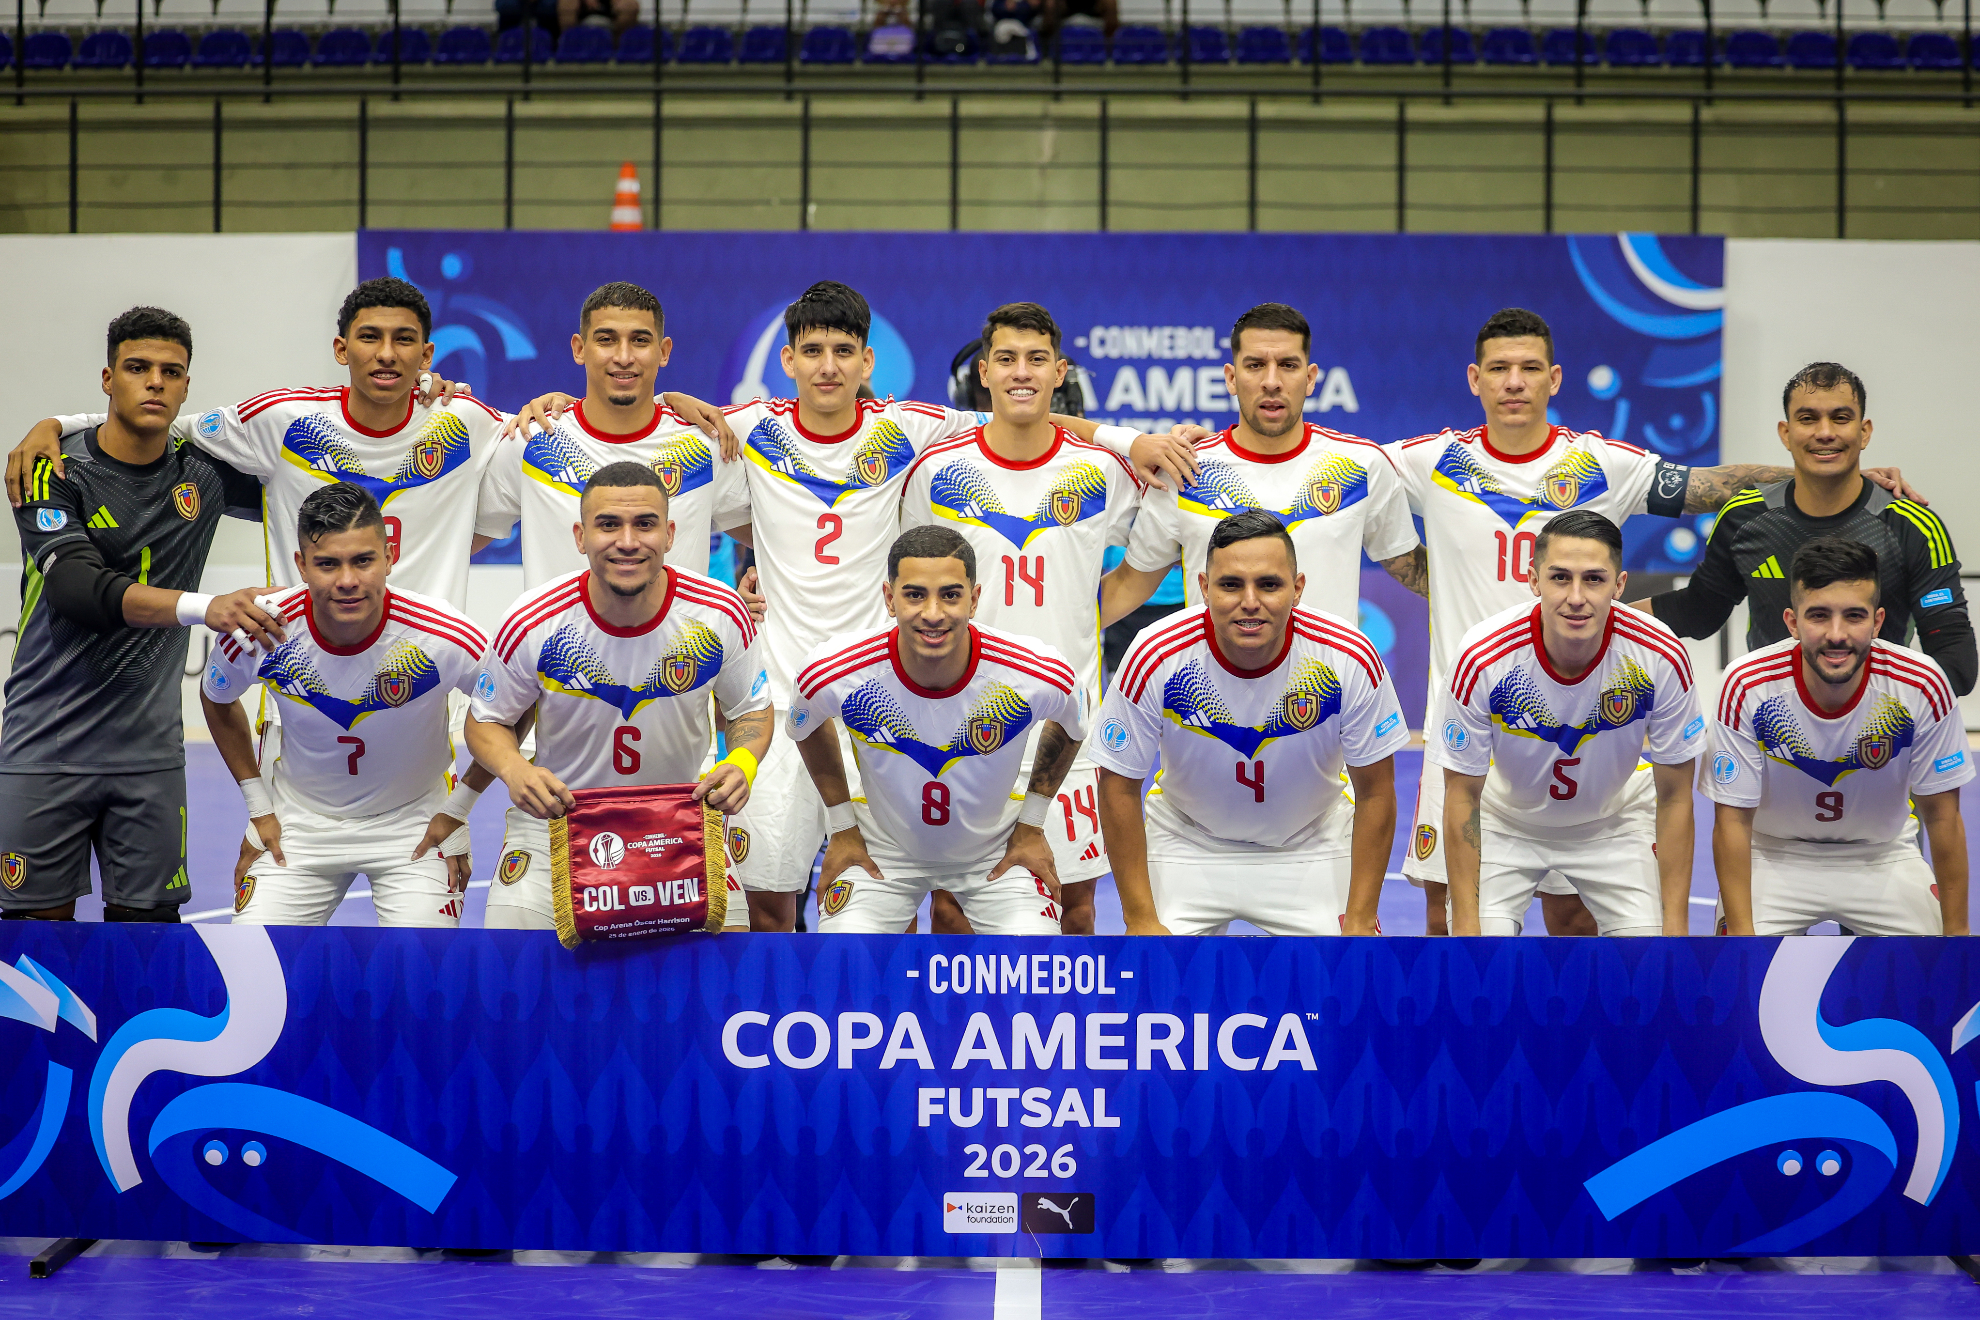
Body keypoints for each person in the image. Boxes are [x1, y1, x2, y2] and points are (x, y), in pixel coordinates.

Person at [509, 280, 1192, 929]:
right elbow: (657, 439)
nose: (828, 367)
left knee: (899, 894)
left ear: (868, 360)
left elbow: (1021, 410)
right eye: (812, 351)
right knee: (770, 907)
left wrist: (1124, 440)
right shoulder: (745, 430)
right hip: (776, 702)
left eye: (843, 352)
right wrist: (617, 405)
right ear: (787, 360)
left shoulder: (910, 431)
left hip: (879, 705)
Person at [1389, 306, 1919, 936]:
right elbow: (1337, 486)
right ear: (1474, 379)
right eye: (1499, 369)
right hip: (1472, 719)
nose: (1514, 383)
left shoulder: (1601, 464)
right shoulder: (1425, 461)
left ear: (1554, 380)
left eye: (1529, 369)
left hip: (1583, 720)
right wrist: (1435, 578)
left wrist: (1839, 473)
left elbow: (1715, 486)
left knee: (1572, 916)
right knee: (1446, 920)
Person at [1, 307, 283, 922]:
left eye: (170, 372)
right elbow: (77, 589)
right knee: (35, 949)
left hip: (150, 758)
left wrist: (431, 410)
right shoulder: (51, 469)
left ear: (186, 386)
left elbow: (317, 482)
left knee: (148, 951)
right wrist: (209, 608)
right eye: (137, 368)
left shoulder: (202, 469)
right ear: (108, 379)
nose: (154, 382)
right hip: (45, 748)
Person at [11, 278, 507, 611]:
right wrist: (56, 423)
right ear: (341, 349)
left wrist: (548, 402)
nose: (385, 354)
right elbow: (163, 421)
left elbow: (556, 432)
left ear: (426, 354)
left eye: (403, 340)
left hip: (421, 674)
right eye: (369, 337)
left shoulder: (467, 421)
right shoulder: (280, 419)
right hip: (300, 680)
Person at [898, 302, 1142, 934]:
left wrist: (1091, 607)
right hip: (963, 718)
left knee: (1075, 904)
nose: (1021, 373)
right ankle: (957, 1032)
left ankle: (1065, 1033)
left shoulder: (1102, 472)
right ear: (984, 371)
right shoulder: (937, 472)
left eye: (1037, 359)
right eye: (1006, 359)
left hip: (1069, 721)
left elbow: (1150, 558)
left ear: (1059, 372)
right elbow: (909, 584)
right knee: (953, 904)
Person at [465, 462, 769, 931]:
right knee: (512, 964)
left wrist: (743, 762)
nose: (627, 542)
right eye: (608, 525)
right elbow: (486, 721)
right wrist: (514, 770)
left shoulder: (719, 613)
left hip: (678, 827)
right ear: (580, 536)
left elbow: (751, 711)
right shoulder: (532, 620)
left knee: (727, 965)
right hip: (555, 825)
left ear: (669, 534)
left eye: (644, 524)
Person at [1091, 509, 1409, 936]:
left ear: (1297, 589)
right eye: (1230, 584)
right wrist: (1140, 919)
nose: (1250, 602)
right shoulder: (1155, 654)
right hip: (1187, 841)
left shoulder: (1348, 657)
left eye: (1269, 584)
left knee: (1346, 985)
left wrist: (1357, 920)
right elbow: (1117, 784)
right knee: (1156, 983)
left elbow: (1376, 792)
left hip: (1311, 842)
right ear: (1204, 587)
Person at [203, 483, 490, 926]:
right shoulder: (261, 627)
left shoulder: (444, 635)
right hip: (298, 824)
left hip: (415, 823)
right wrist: (259, 806)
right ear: (301, 564)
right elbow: (217, 697)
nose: (348, 581)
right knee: (254, 957)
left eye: (363, 560)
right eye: (327, 564)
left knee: (421, 973)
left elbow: (511, 707)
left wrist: (459, 808)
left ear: (389, 556)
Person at [786, 525, 1084, 934]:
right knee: (845, 961)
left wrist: (1032, 823)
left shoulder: (1035, 672)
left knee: (1033, 963)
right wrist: (841, 827)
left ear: (974, 599)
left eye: (950, 594)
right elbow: (806, 726)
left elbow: (1072, 724)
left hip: (994, 853)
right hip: (881, 851)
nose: (932, 613)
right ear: (890, 599)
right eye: (914, 594)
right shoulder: (833, 671)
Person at [1429, 511, 1701, 938]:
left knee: (1649, 953)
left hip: (1616, 822)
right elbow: (1462, 795)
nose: (1576, 597)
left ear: (1620, 584)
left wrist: (1677, 928)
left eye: (1594, 579)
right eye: (1560, 578)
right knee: (1485, 949)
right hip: (1505, 822)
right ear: (1534, 581)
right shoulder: (1482, 656)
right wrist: (1467, 925)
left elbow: (1675, 798)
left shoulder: (1660, 655)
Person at [1638, 361, 1973, 696]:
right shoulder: (1744, 517)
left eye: (1840, 418)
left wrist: (1889, 716)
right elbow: (1698, 612)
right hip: (1773, 728)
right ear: (1786, 432)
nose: (1824, 432)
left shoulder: (1911, 525)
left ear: (1864, 431)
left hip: (1881, 736)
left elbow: (1954, 657)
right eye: (1808, 418)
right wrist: (1600, 613)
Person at [1100, 302, 1424, 629]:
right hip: (1215, 681)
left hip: (1326, 681)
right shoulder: (1187, 471)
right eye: (1255, 365)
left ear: (1310, 379)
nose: (1271, 381)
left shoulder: (1361, 466)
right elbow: (1126, 587)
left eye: (1287, 365)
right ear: (1230, 378)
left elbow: (1420, 573)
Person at [1707, 537, 1971, 937]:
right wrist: (1744, 945)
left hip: (1882, 857)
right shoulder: (1746, 685)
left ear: (1878, 621)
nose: (1836, 634)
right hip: (1773, 855)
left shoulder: (1922, 684)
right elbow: (1732, 821)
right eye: (1818, 615)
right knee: (1741, 979)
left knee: (1931, 976)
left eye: (1854, 615)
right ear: (1792, 622)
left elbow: (1943, 815)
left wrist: (1958, 939)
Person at [477, 282, 751, 590]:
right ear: (579, 349)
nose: (623, 356)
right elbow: (442, 544)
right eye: (606, 340)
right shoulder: (532, 441)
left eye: (639, 341)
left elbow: (786, 544)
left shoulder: (702, 446)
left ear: (663, 352)